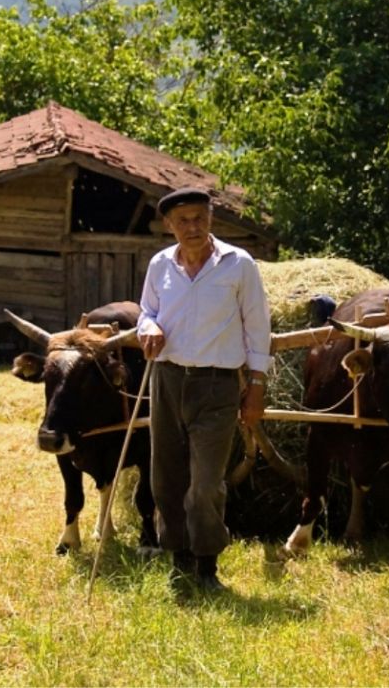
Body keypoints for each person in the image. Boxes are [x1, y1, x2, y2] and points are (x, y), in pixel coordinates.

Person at [137, 187, 272, 592]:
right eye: (183, 221)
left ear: (211, 218)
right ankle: (179, 557)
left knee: (206, 482)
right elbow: (146, 311)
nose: (192, 227)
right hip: (167, 380)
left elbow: (257, 326)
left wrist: (257, 385)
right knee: (166, 478)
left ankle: (207, 565)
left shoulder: (238, 264)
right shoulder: (160, 264)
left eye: (199, 217)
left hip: (216, 384)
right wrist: (149, 327)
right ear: (169, 225)